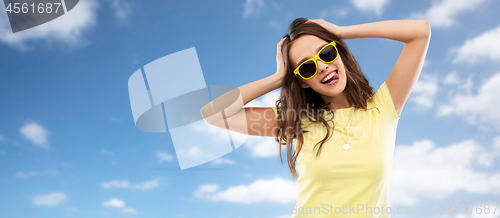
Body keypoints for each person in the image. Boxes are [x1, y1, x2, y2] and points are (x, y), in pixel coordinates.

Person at [201, 18, 431, 217]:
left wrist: (341, 32)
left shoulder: (383, 108)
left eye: (327, 53)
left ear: (339, 52)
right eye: (307, 68)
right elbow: (212, 114)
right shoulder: (297, 120)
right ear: (302, 81)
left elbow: (420, 32)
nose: (321, 66)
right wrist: (278, 78)